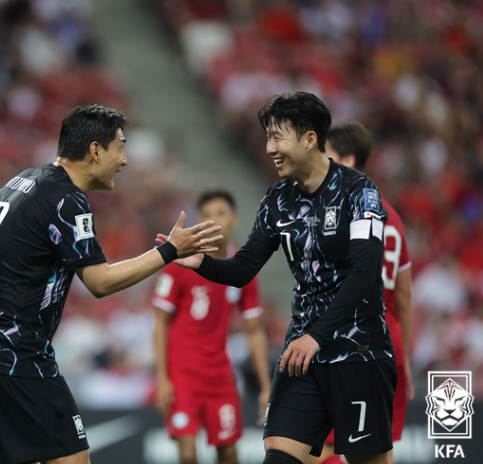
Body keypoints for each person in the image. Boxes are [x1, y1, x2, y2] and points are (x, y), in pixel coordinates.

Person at [0, 104, 222, 464]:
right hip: (17, 355)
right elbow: (99, 282)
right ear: (96, 150)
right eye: (120, 148)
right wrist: (170, 251)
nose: (124, 160)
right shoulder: (68, 199)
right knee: (72, 459)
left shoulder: (23, 180)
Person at [158, 92, 396, 464]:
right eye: (267, 138)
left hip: (358, 354)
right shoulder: (277, 200)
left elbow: (365, 274)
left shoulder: (359, 191)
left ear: (310, 138)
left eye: (277, 137)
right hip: (301, 359)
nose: (270, 148)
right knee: (278, 458)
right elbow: (242, 269)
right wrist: (202, 263)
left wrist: (316, 337)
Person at [305, 121, 414, 464]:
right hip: (390, 347)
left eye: (328, 157)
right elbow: (405, 298)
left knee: (312, 446)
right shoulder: (392, 216)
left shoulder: (341, 212)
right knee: (379, 453)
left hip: (352, 344)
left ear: (348, 161)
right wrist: (405, 360)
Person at [153, 189, 272, 464]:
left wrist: (266, 387)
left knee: (229, 453)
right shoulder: (182, 263)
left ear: (234, 218)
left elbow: (254, 331)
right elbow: (160, 323)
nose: (213, 220)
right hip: (183, 375)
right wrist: (161, 378)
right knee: (187, 453)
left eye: (220, 213)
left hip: (220, 377)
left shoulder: (243, 270)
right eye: (206, 215)